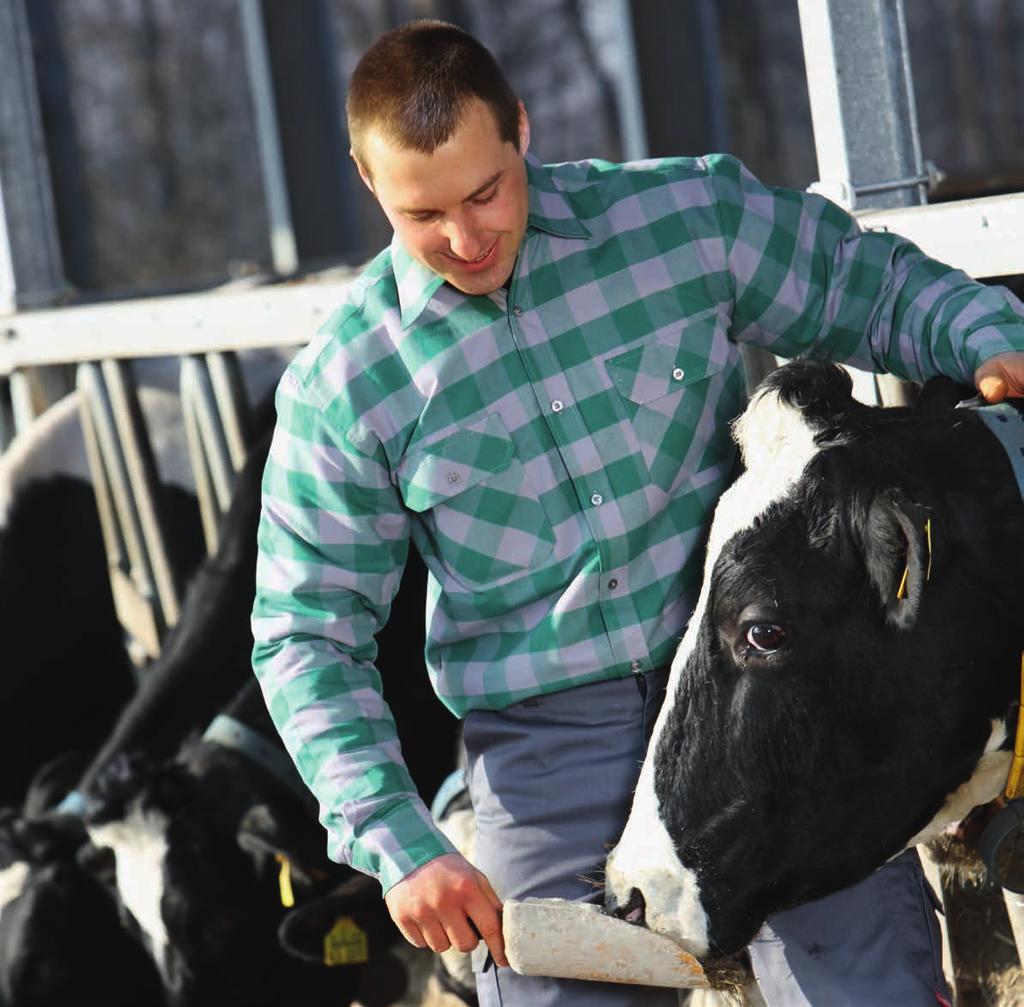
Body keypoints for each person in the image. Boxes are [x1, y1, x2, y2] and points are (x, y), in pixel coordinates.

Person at [250, 18, 1024, 1007]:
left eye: (486, 190)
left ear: (520, 128)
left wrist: (984, 336)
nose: (465, 236)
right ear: (368, 180)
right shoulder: (345, 384)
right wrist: (398, 843)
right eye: (423, 214)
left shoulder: (681, 215)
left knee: (862, 985)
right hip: (547, 750)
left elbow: (857, 284)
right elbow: (305, 638)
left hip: (769, 690)